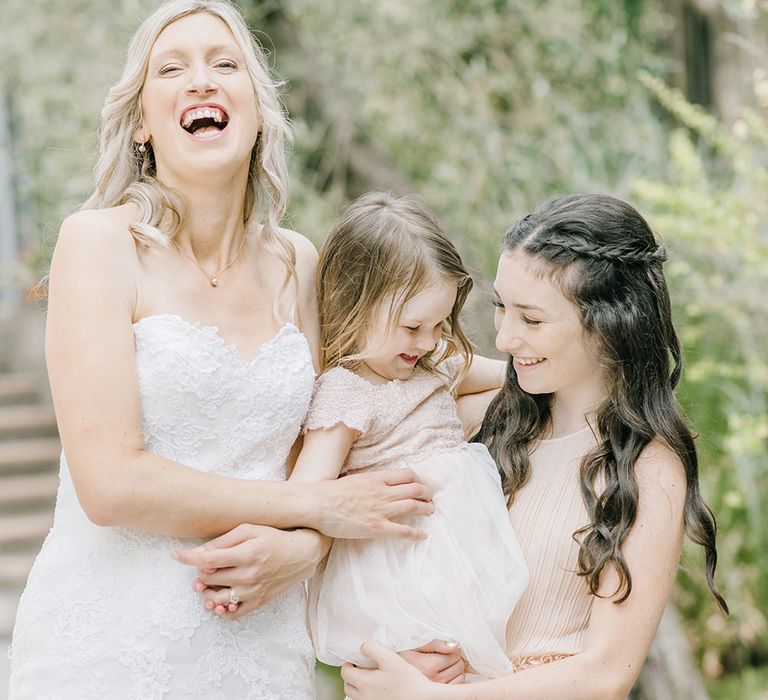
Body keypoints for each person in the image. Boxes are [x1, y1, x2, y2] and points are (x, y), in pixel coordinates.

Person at [8, 2, 436, 698]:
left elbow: (329, 445)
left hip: (262, 652)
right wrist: (313, 512)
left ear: (259, 110)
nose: (201, 81)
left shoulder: (300, 263)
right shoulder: (97, 243)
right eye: (171, 69)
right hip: (109, 652)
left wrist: (303, 547)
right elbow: (110, 485)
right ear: (143, 123)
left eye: (225, 64)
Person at [340, 193, 728, 699]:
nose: (503, 337)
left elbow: (606, 673)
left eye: (532, 319)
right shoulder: (486, 419)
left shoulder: (647, 467)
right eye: (502, 307)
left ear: (610, 323)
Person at [289, 192, 528, 678]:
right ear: (353, 302)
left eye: (440, 324)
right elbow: (304, 494)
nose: (427, 341)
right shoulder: (348, 391)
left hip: (464, 555)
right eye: (413, 325)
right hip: (402, 567)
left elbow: (516, 376)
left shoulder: (432, 362)